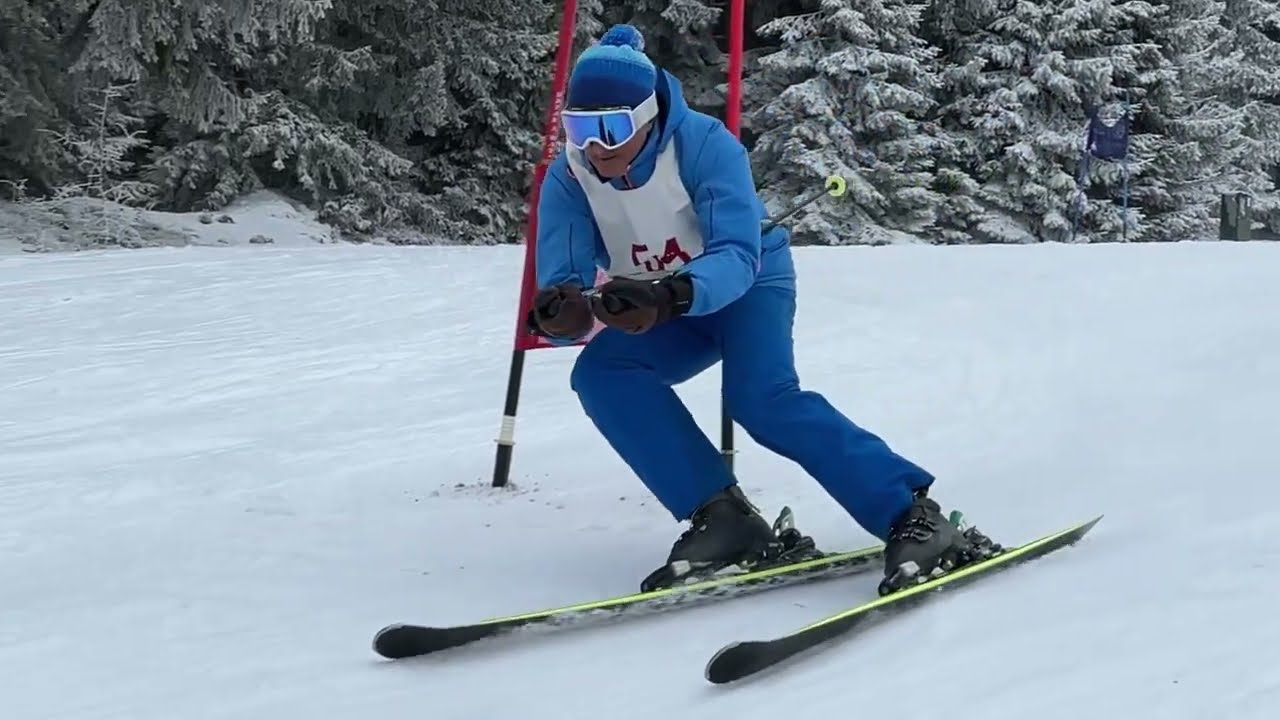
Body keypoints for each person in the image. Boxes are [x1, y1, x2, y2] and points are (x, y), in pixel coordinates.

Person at [526, 24, 999, 593]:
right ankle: (724, 519)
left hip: (748, 284)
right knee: (603, 374)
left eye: (612, 127)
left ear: (648, 115)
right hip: (665, 304)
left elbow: (735, 254)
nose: (596, 146)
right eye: (580, 128)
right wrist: (565, 316)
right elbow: (566, 280)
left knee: (762, 399)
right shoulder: (571, 175)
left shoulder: (703, 145)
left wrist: (671, 295)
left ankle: (913, 515)